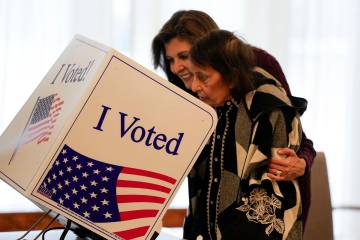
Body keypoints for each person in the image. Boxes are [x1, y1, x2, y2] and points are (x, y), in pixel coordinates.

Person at [151, 10, 316, 230]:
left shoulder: (259, 67)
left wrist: (302, 162)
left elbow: (297, 137)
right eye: (170, 60)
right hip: (208, 216)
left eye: (183, 56)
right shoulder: (184, 86)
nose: (175, 68)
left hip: (263, 217)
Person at [187, 29, 302, 239]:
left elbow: (273, 194)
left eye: (202, 77)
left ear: (231, 76)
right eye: (192, 75)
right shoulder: (214, 106)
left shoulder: (269, 109)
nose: (194, 86)